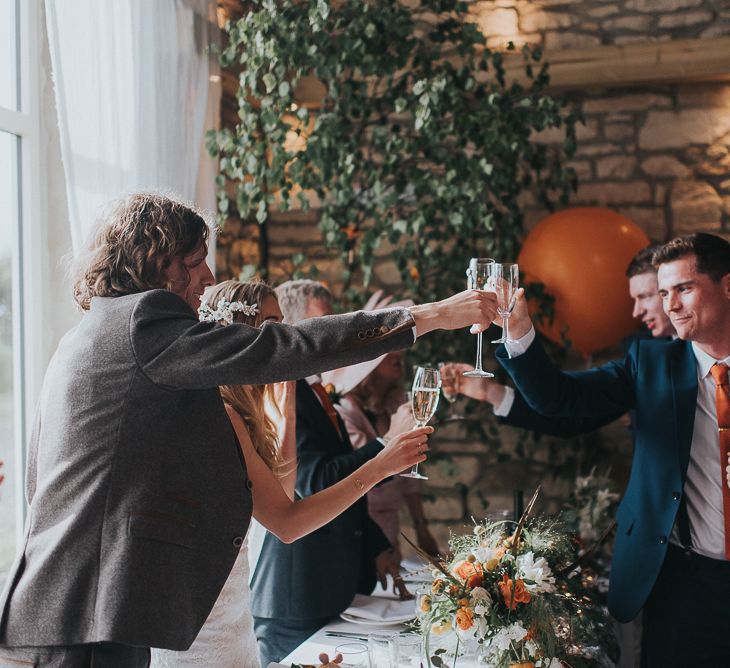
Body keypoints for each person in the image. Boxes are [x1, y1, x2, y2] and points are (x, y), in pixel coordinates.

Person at [0, 192, 498, 667]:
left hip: (73, 601)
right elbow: (283, 348)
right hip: (88, 605)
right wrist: (432, 315)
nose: (208, 275)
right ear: (156, 259)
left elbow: (37, 476)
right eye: (195, 260)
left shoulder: (85, 334)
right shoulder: (143, 323)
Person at [150, 280, 432, 668]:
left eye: (283, 326)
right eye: (271, 327)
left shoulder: (255, 408)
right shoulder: (220, 412)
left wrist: (285, 404)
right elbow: (287, 520)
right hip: (209, 615)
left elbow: (283, 490)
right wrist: (382, 461)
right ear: (239, 338)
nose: (286, 340)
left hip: (237, 610)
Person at [495, 233, 730, 666]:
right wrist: (518, 331)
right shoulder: (650, 364)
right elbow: (559, 399)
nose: (670, 304)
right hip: (685, 585)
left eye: (684, 288)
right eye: (663, 292)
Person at [251, 281, 426, 666]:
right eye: (320, 324)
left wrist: (376, 547)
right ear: (295, 329)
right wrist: (385, 445)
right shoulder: (284, 393)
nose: (331, 335)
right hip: (296, 598)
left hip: (332, 589)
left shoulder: (316, 390)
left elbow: (344, 495)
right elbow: (314, 481)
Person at [442, 243, 676, 435]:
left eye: (645, 296)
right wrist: (490, 392)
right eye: (634, 300)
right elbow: (570, 416)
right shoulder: (643, 357)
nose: (637, 312)